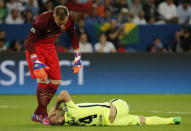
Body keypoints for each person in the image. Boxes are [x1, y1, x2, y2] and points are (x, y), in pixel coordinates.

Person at [25, 5, 82, 125]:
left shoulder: (70, 19)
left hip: (50, 48)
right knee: (43, 78)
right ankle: (44, 115)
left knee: (56, 82)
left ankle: (38, 113)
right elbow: (29, 41)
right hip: (36, 48)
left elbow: (73, 36)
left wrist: (77, 56)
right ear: (54, 16)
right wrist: (35, 60)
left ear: (67, 17)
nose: (61, 26)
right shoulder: (42, 20)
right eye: (59, 22)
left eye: (64, 22)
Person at [48, 90, 181, 126]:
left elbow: (56, 118)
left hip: (111, 123)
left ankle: (172, 120)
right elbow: (63, 93)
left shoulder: (70, 121)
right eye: (52, 114)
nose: (52, 112)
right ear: (59, 120)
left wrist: (50, 118)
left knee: (142, 120)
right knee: (118, 102)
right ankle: (171, 120)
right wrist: (55, 106)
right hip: (115, 109)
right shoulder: (70, 110)